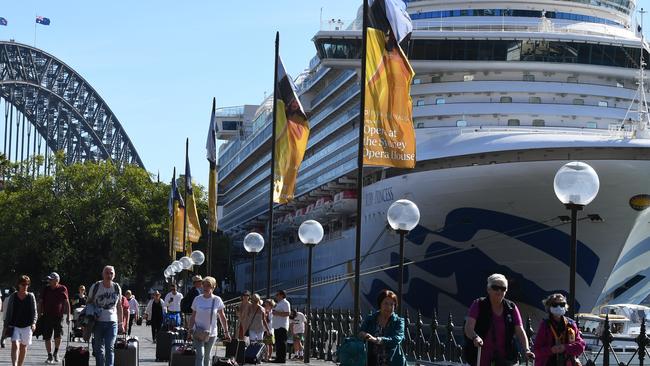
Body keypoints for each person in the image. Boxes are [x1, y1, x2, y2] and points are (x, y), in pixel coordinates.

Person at [464, 273, 535, 366]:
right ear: (488, 289)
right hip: (481, 356)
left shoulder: (511, 307)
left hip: (507, 358)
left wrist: (526, 349)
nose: (499, 291)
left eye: (503, 288)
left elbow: (520, 331)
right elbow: (468, 328)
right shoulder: (478, 304)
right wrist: (475, 337)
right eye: (495, 287)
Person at [188, 276, 230, 366]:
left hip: (212, 333)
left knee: (207, 356)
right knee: (200, 355)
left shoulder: (217, 300)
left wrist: (226, 332)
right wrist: (190, 330)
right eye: (204, 285)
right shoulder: (197, 299)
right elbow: (192, 317)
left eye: (208, 286)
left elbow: (222, 317)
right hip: (198, 331)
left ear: (213, 287)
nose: (206, 288)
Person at [533, 294, 585, 366]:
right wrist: (551, 350)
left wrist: (565, 347)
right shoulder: (545, 325)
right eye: (555, 304)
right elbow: (537, 350)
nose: (559, 307)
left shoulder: (571, 324)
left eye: (562, 304)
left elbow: (581, 346)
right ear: (549, 307)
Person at [358, 289, 406, 366]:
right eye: (386, 303)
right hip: (372, 362)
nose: (389, 307)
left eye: (392, 304)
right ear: (380, 304)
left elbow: (397, 339)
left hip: (392, 362)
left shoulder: (399, 322)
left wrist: (377, 340)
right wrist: (365, 335)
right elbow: (360, 333)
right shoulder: (370, 319)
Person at [88, 265, 123, 366]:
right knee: (98, 350)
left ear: (114, 275)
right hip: (98, 322)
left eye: (111, 273)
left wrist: (121, 323)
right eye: (107, 273)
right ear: (103, 274)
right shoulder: (96, 287)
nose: (109, 275)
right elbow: (89, 302)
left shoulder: (116, 287)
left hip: (112, 322)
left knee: (110, 347)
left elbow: (119, 306)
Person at [3, 275, 38, 366]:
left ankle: (19, 365)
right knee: (15, 344)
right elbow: (8, 313)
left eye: (27, 284)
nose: (25, 286)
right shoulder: (13, 296)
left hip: (27, 325)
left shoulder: (31, 296)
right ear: (19, 285)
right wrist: (5, 327)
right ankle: (14, 365)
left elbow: (35, 312)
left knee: (23, 346)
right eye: (23, 284)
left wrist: (34, 323)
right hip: (15, 325)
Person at [39, 272, 71, 364]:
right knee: (47, 337)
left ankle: (56, 352)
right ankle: (49, 355)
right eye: (48, 279)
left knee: (58, 335)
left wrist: (68, 316)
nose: (49, 281)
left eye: (51, 279)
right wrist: (39, 315)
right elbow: (40, 302)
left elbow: (67, 302)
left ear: (56, 280)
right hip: (46, 316)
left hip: (58, 316)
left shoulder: (62, 288)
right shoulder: (46, 288)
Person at [272, 290, 291, 363]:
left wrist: (277, 313)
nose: (276, 296)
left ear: (281, 295)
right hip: (277, 325)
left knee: (282, 343)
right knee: (278, 343)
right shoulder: (279, 303)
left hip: (282, 326)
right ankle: (278, 357)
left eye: (277, 294)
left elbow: (287, 313)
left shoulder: (285, 303)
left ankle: (282, 359)